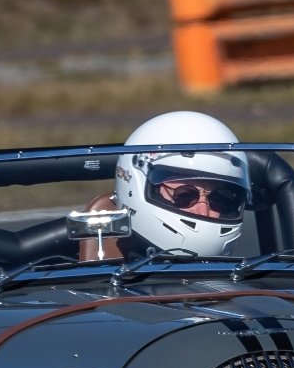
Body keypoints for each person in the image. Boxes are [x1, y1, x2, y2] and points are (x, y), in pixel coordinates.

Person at [79, 111, 251, 263]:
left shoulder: (251, 275)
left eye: (219, 199)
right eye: (185, 195)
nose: (202, 211)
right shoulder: (104, 287)